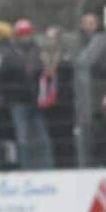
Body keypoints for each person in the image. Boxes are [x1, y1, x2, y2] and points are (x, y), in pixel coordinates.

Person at [1, 19, 50, 170]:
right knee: (22, 139)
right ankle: (25, 169)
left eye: (27, 34)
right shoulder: (10, 55)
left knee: (42, 138)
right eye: (22, 34)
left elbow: (44, 74)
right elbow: (4, 80)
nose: (25, 37)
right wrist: (10, 98)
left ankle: (46, 167)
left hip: (36, 102)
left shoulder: (38, 52)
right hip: (18, 102)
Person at [40, 26, 77, 169]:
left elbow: (69, 80)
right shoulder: (42, 58)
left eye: (53, 38)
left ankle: (69, 166)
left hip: (64, 106)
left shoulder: (65, 58)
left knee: (66, 139)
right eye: (48, 38)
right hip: (49, 107)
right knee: (53, 140)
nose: (51, 41)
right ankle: (57, 166)